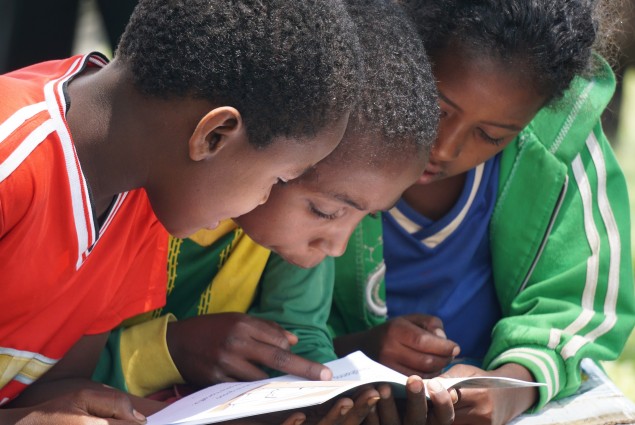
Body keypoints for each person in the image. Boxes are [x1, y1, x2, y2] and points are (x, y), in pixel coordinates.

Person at [92, 1, 457, 424]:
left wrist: (332, 401)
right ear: (291, 156)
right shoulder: (145, 194)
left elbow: (297, 335)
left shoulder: (283, 233)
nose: (337, 246)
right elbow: (42, 366)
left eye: (367, 217)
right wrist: (165, 351)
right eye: (324, 211)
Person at [0, 0, 363, 422]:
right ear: (213, 136)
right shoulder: (12, 161)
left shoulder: (147, 188)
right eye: (277, 180)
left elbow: (55, 391)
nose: (264, 200)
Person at [330, 0, 635, 424]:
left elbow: (583, 307)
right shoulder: (329, 128)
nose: (444, 148)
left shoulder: (560, 146)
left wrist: (509, 388)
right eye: (437, 109)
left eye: (490, 136)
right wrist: (353, 350)